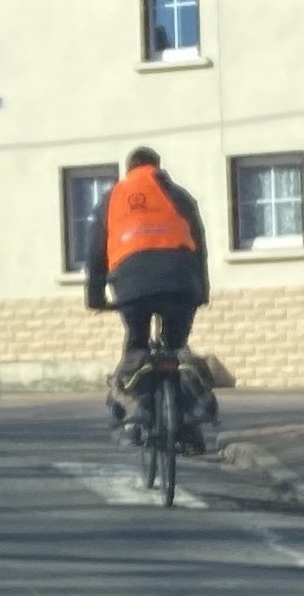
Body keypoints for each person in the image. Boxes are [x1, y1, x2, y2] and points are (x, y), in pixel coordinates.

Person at [84, 146, 216, 454]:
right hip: (180, 280)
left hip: (132, 285)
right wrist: (200, 290)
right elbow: (200, 246)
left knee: (137, 345)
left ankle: (134, 417)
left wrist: (95, 296)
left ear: (129, 169)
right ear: (158, 168)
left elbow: (95, 253)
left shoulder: (112, 199)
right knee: (176, 347)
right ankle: (188, 420)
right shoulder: (180, 197)